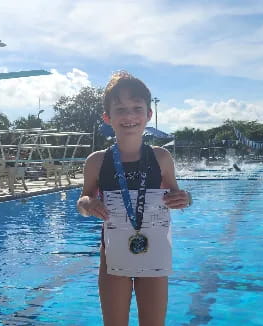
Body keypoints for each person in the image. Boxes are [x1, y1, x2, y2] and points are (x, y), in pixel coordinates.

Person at [77, 71, 191, 326]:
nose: (129, 116)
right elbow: (83, 199)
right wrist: (87, 204)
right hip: (113, 256)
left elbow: (177, 195)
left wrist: (184, 199)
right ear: (108, 117)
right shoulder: (97, 161)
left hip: (154, 254)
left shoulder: (161, 158)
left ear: (148, 114)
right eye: (120, 109)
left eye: (137, 108)